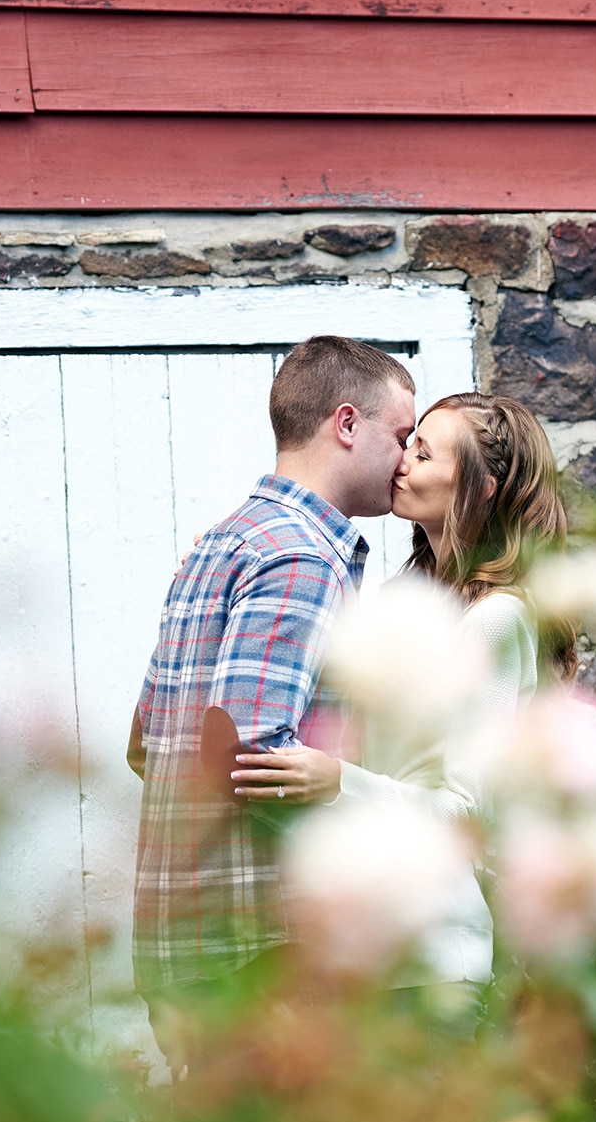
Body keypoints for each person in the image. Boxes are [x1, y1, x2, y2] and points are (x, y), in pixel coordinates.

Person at [228, 391, 575, 1010]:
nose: (400, 464)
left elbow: (470, 814)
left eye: (424, 452)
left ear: (484, 486)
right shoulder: (394, 601)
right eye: (407, 445)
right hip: (358, 944)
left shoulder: (497, 620)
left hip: (433, 957)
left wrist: (339, 782)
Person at [128, 335, 417, 1073]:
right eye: (402, 435)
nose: (407, 459)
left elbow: (145, 741)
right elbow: (254, 756)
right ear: (346, 424)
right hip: (263, 951)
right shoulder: (300, 554)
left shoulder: (218, 545)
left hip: (187, 942)